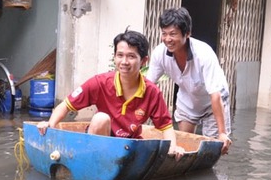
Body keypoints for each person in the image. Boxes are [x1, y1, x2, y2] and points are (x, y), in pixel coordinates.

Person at [37, 30, 185, 159]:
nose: (124, 62)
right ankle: (94, 161)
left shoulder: (152, 92)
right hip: (98, 142)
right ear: (114, 57)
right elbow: (65, 105)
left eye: (131, 56)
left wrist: (173, 147)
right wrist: (50, 124)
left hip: (129, 146)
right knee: (101, 118)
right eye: (120, 55)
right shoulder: (100, 82)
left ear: (144, 61)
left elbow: (165, 126)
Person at [146, 7, 232, 155]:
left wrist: (222, 133)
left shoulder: (204, 54)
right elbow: (148, 86)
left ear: (187, 34)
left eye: (173, 34)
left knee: (213, 149)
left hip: (214, 102)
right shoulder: (160, 53)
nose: (168, 39)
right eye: (164, 34)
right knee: (184, 143)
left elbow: (215, 95)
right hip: (188, 98)